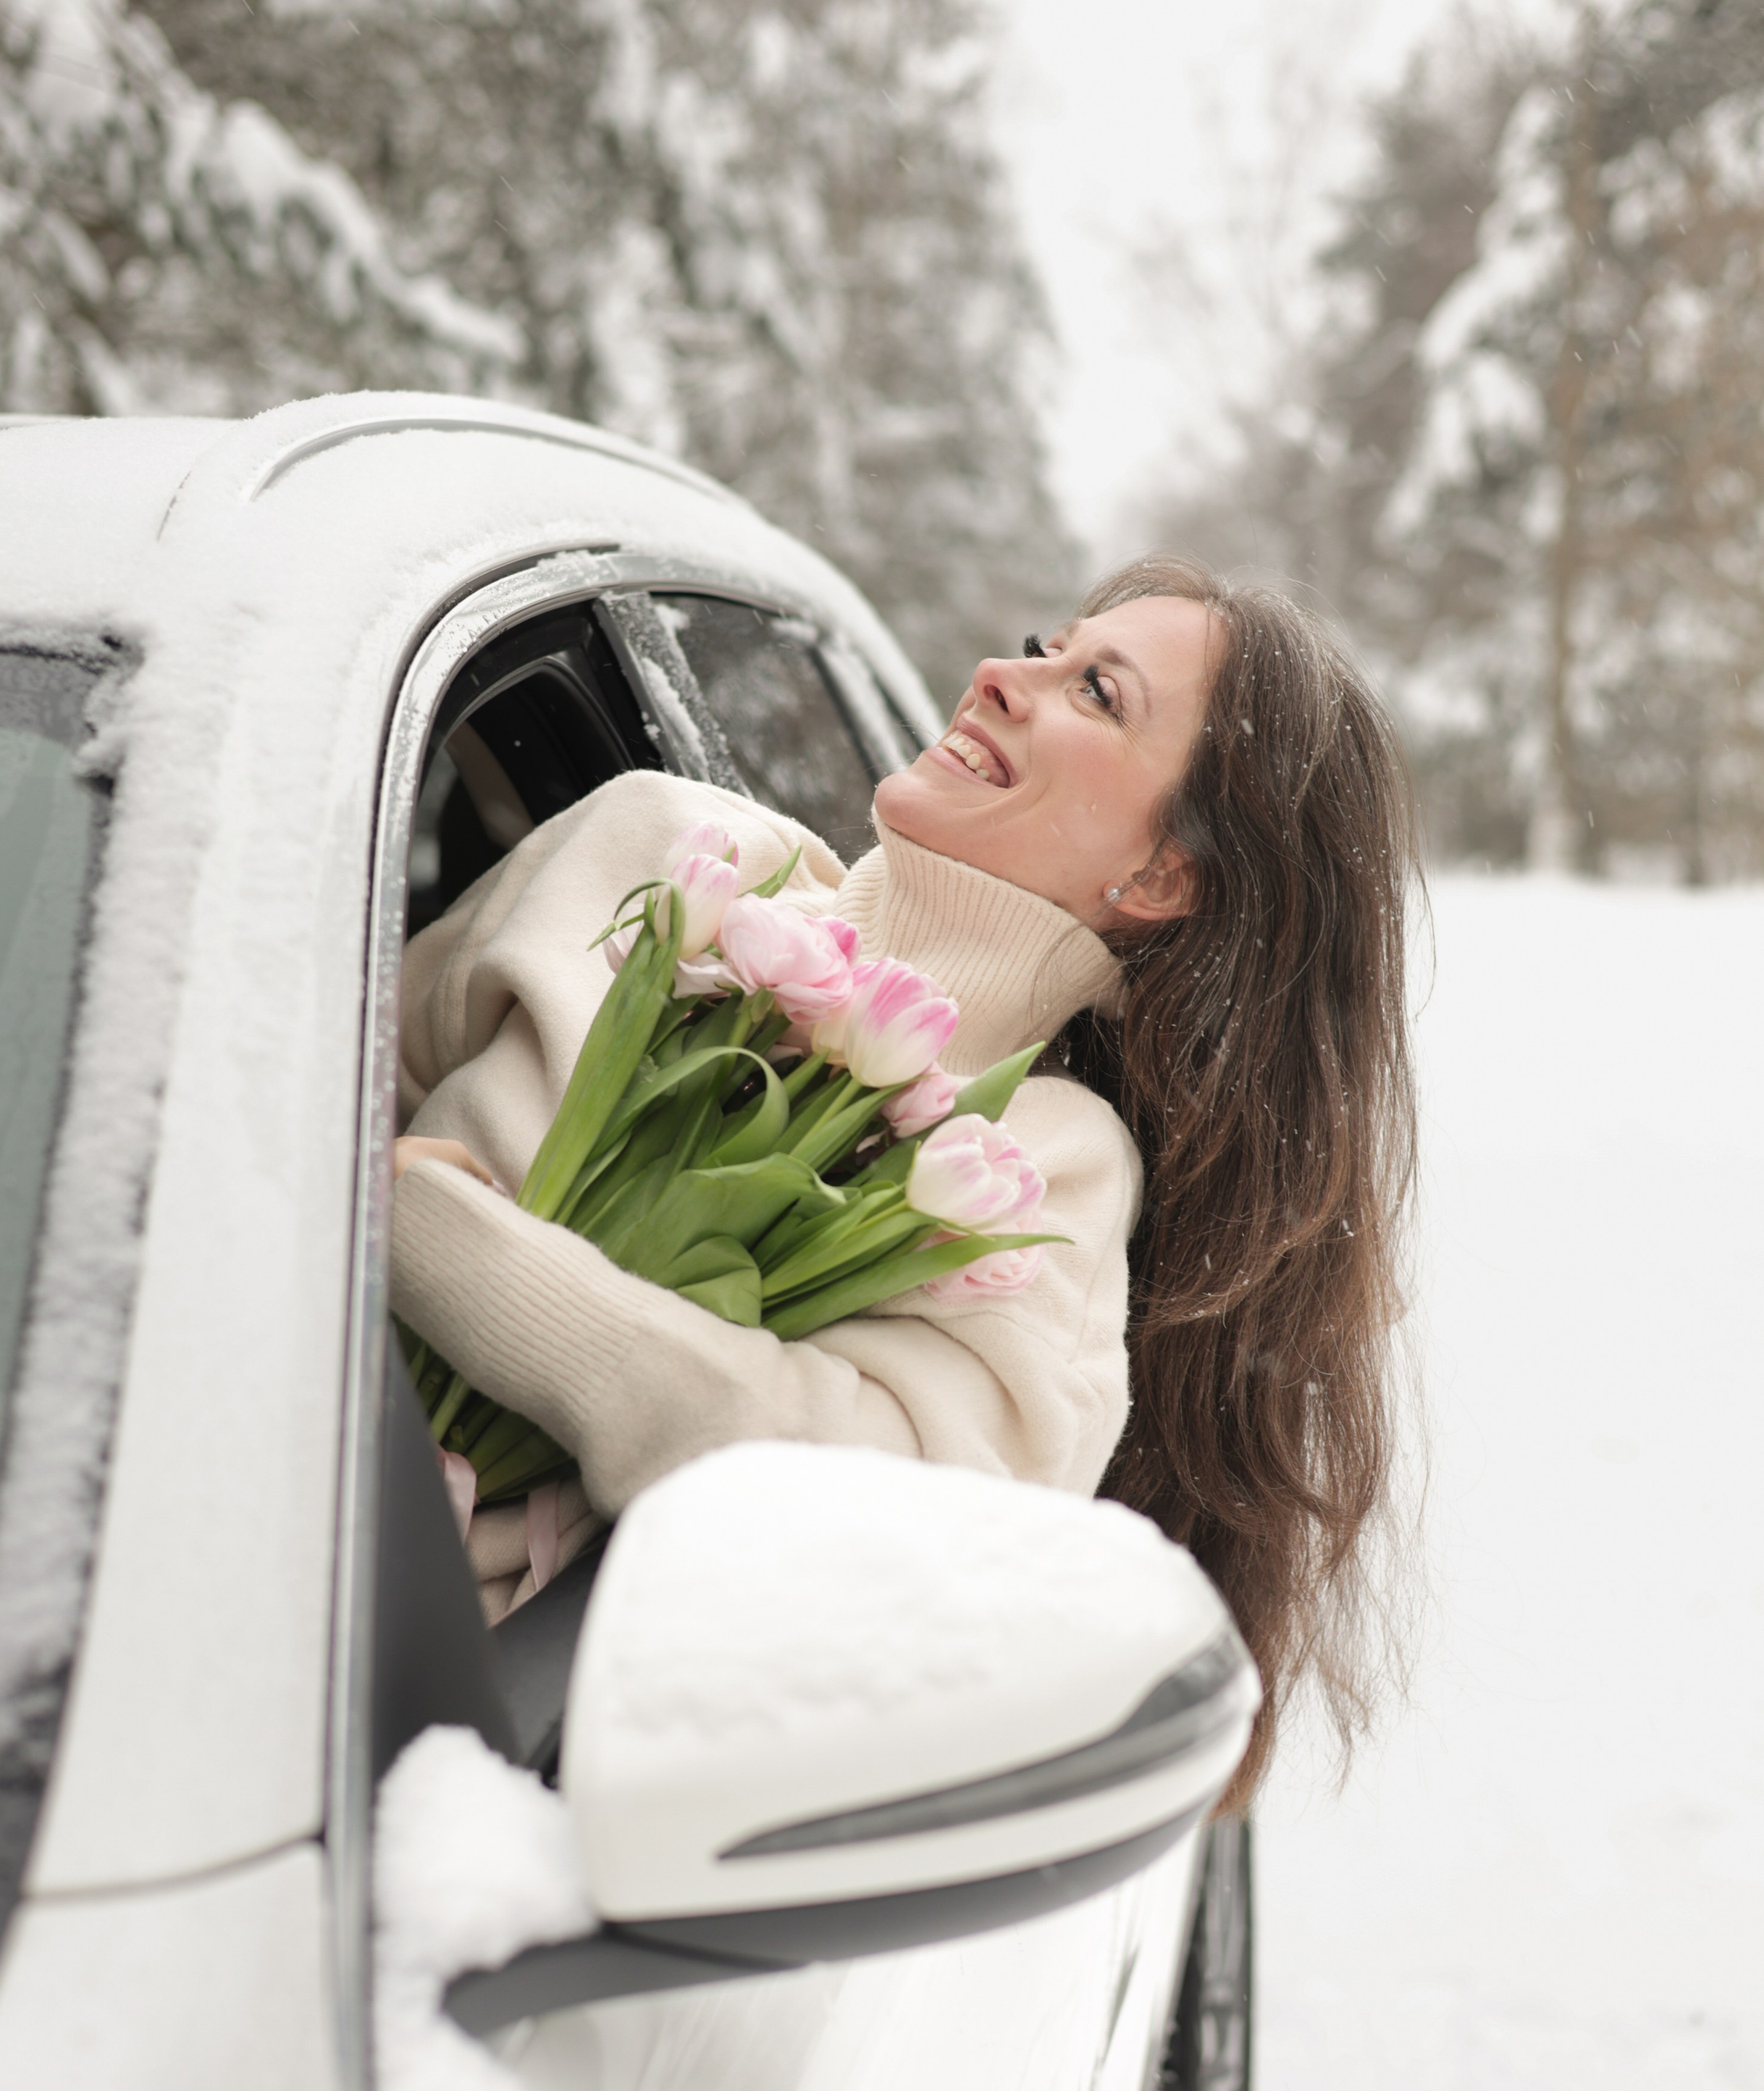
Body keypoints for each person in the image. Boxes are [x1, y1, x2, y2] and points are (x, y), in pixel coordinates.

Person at [390, 556, 1419, 1798]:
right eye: (1047, 641)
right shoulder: (667, 852)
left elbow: (843, 1503)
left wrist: (430, 1237)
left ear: (1161, 876)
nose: (1001, 675)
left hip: (412, 1747)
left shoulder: (1040, 1178)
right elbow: (304, 1071)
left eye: (1096, 691)